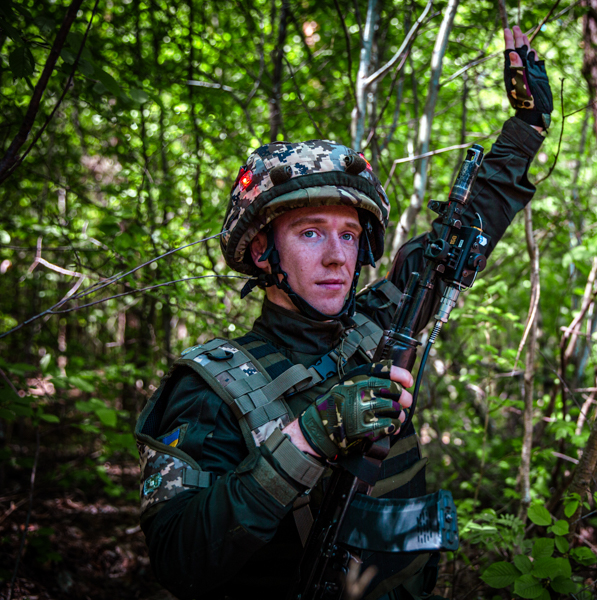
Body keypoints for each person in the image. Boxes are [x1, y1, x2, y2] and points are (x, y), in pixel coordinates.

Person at [134, 25, 553, 600]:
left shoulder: (378, 326)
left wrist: (526, 127)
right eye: (310, 232)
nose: (336, 256)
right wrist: (308, 439)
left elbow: (456, 239)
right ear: (262, 251)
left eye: (349, 235)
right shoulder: (210, 387)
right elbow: (178, 557)